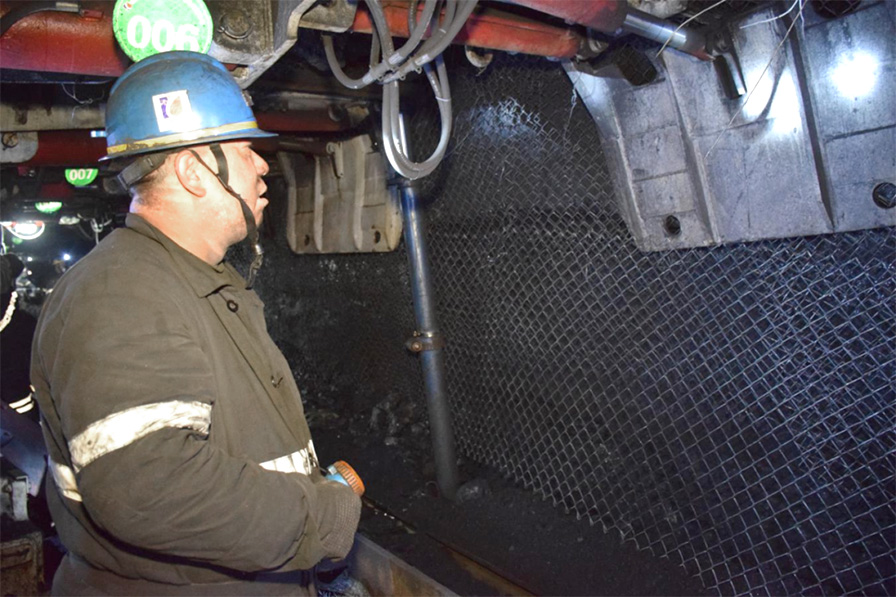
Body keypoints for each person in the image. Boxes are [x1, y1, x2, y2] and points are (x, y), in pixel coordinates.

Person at [30, 51, 361, 596]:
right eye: (245, 149)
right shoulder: (121, 292)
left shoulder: (189, 280)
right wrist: (322, 517)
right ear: (193, 172)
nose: (262, 165)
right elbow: (150, 488)